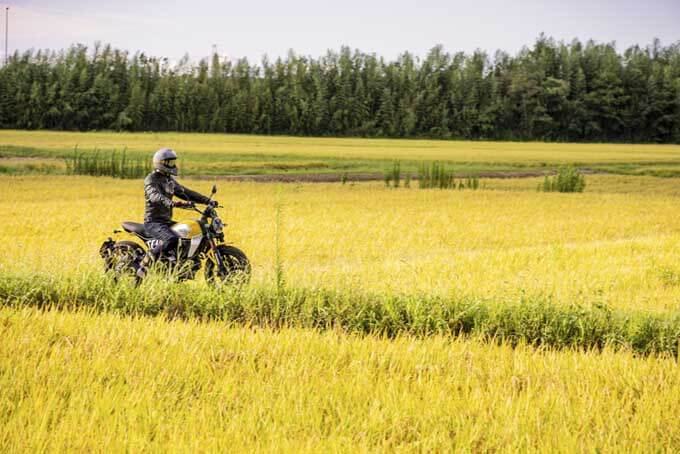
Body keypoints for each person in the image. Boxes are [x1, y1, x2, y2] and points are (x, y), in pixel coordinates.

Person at [138, 148, 218, 276]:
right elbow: (155, 196)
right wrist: (172, 203)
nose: (173, 165)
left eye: (173, 162)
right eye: (169, 162)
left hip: (166, 221)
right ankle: (148, 258)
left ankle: (177, 265)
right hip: (154, 222)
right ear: (160, 163)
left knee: (187, 235)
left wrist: (207, 200)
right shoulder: (151, 179)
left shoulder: (168, 179)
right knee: (171, 239)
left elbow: (185, 192)